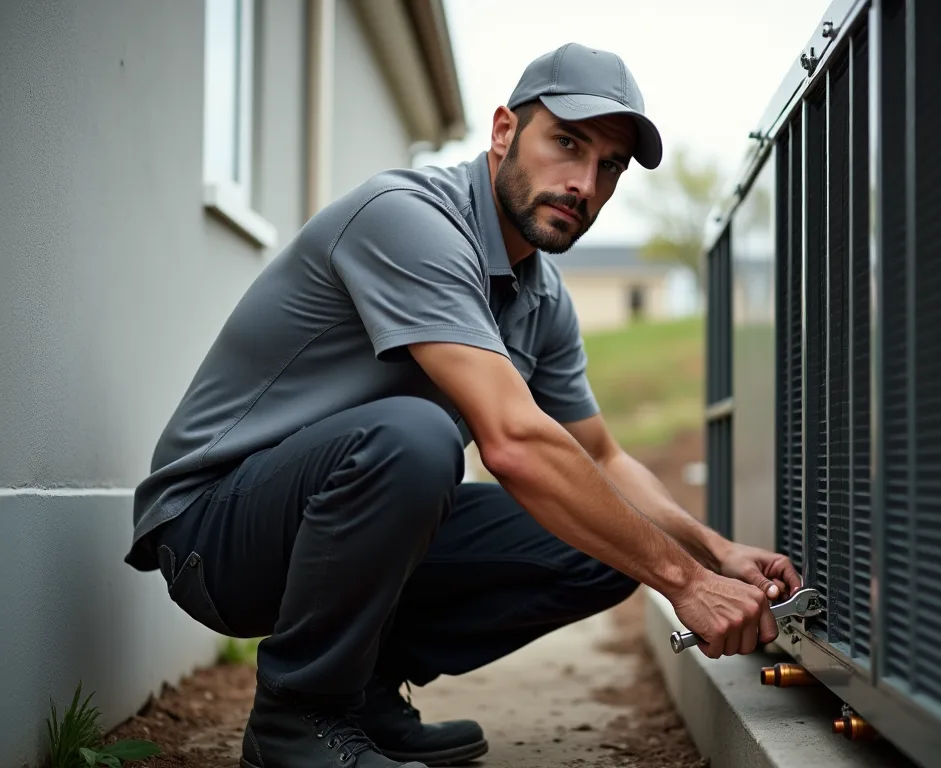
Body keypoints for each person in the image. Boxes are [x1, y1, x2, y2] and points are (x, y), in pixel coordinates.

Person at [124, 43, 802, 768]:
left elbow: (600, 456)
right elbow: (511, 442)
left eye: (608, 167)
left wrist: (713, 553)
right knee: (416, 438)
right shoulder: (408, 220)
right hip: (215, 529)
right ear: (504, 131)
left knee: (610, 541)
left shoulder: (540, 296)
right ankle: (297, 717)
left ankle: (362, 692)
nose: (583, 183)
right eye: (567, 143)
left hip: (327, 516)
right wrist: (687, 586)